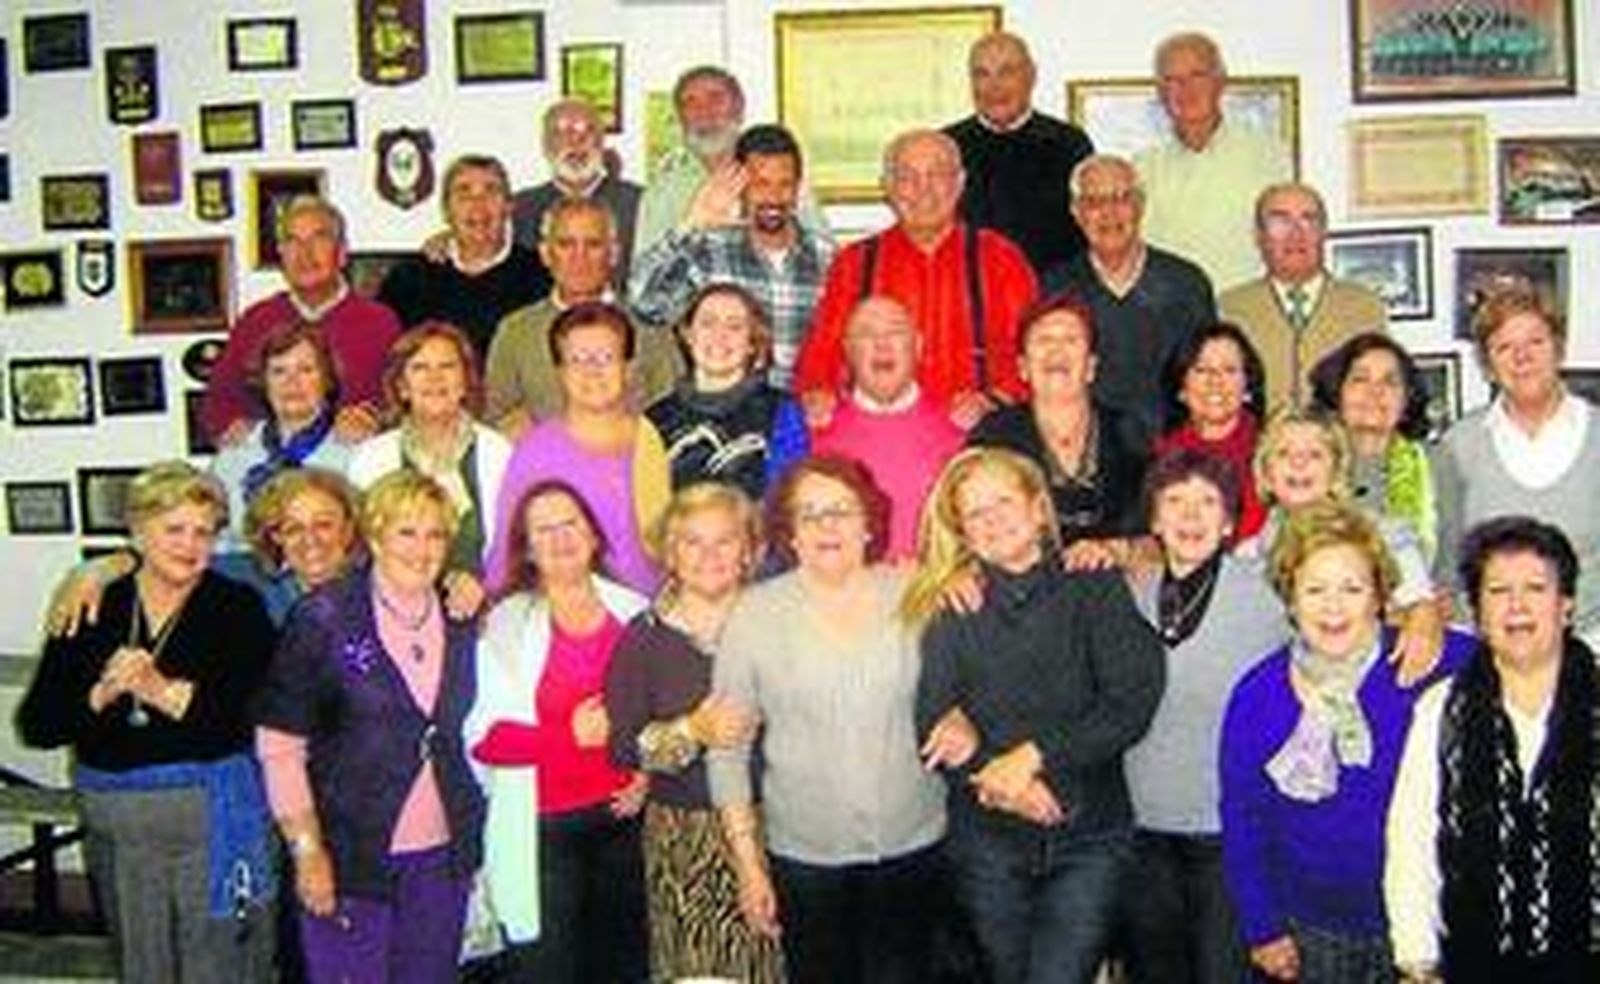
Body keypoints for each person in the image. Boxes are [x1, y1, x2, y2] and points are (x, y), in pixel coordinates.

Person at [908, 447, 1163, 983]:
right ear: (963, 532)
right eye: (975, 513)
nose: (993, 519)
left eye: (1003, 501)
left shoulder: (1092, 583)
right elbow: (932, 723)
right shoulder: (954, 605)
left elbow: (1130, 703)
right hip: (986, 844)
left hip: (1089, 835)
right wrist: (1000, 777)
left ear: (1037, 506)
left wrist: (1032, 756)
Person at [18, 462, 278, 982]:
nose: (189, 545)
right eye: (173, 529)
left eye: (203, 531)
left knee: (218, 963)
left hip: (209, 819)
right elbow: (39, 724)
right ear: (137, 531)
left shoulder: (236, 607)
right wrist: (101, 693)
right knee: (143, 967)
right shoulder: (94, 602)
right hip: (118, 825)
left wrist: (158, 691)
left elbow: (244, 723)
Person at [707, 457, 946, 983]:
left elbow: (967, 689)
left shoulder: (919, 594)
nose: (826, 526)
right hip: (804, 855)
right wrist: (748, 864)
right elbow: (727, 747)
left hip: (915, 843)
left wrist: (962, 722)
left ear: (869, 522)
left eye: (840, 510)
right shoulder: (755, 614)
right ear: (789, 534)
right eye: (808, 514)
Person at [1220, 502, 1471, 983]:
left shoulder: (1432, 661)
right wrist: (1262, 928)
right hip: (1310, 930)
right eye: (1314, 589)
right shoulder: (1258, 694)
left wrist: (1427, 616)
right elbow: (1243, 820)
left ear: (1380, 596)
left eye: (1352, 589)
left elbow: (1527, 665)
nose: (1332, 606)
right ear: (1289, 599)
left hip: (1428, 929)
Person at [255, 470, 486, 983]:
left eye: (435, 534)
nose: (422, 548)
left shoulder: (461, 616)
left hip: (443, 856)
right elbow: (280, 747)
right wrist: (307, 850)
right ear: (375, 536)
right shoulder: (323, 617)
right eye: (406, 532)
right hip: (349, 854)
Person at [1387, 517, 1600, 983]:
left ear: (1566, 606)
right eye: (1499, 591)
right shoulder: (1442, 709)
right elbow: (1412, 843)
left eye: (1536, 589)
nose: (1517, 606)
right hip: (1473, 963)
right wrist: (1417, 965)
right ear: (1479, 615)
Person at [467, 480, 651, 981]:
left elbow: (656, 714)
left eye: (570, 522)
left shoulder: (635, 612)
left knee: (622, 968)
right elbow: (484, 740)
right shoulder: (505, 623)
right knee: (550, 971)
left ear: (594, 535)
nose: (560, 537)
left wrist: (647, 771)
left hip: (623, 826)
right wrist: (567, 736)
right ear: (526, 549)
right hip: (542, 832)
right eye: (542, 529)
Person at [604, 482, 784, 983]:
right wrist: (693, 730)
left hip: (782, 828)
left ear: (749, 551)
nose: (709, 555)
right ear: (670, 553)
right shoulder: (643, 638)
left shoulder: (780, 624)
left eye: (724, 540)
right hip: (686, 840)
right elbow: (623, 747)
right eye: (692, 541)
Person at [1120, 449, 1287, 984]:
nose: (1191, 517)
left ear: (1230, 521)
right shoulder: (1127, 595)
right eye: (1175, 501)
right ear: (1153, 519)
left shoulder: (1267, 594)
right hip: (1141, 830)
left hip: (1230, 835)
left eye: (1207, 502)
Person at [795, 128, 1037, 420]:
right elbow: (819, 361)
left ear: (960, 183)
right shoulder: (854, 264)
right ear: (887, 187)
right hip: (879, 433)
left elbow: (1037, 352)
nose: (924, 190)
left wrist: (994, 399)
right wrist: (818, 395)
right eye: (908, 177)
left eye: (937, 175)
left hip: (981, 437)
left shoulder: (1001, 259)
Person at [1433, 286, 1600, 649]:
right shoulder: (1458, 445)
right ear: (1488, 366)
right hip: (1489, 649)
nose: (1521, 357)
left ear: (1559, 348)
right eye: (1504, 347)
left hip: (1592, 644)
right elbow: (1448, 563)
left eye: (1535, 342)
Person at [485, 301, 671, 595]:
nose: (592, 371)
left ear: (628, 368)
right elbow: (507, 548)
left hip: (656, 615)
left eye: (606, 357)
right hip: (569, 614)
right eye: (578, 359)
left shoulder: (661, 438)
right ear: (559, 371)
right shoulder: (535, 452)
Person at [629, 123, 835, 387]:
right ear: (740, 185)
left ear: (798, 189)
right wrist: (691, 224)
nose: (773, 197)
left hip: (800, 419)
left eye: (785, 184)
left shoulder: (827, 259)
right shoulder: (709, 250)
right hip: (725, 419)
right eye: (761, 183)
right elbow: (645, 305)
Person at [1043, 154, 1216, 451]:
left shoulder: (1186, 283)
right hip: (1084, 455)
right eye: (1095, 202)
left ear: (1140, 206)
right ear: (1076, 212)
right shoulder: (1055, 288)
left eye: (1121, 198)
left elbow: (1208, 377)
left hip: (1175, 455)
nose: (1109, 213)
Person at [201, 195, 400, 444]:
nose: (305, 253)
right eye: (292, 242)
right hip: (273, 470)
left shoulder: (381, 323)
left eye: (319, 238)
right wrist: (235, 426)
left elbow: (403, 402)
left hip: (355, 466)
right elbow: (217, 405)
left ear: (342, 253)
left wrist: (373, 419)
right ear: (281, 255)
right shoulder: (255, 322)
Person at [967, 293, 1149, 567]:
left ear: (1090, 367)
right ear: (1023, 367)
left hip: (1113, 590)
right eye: (1043, 341)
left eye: (1070, 340)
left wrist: (1117, 549)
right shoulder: (994, 436)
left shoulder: (1129, 432)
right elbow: (965, 527)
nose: (1056, 352)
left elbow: (1162, 539)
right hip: (1021, 594)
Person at [348, 321, 511, 621]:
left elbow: (515, 544)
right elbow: (361, 551)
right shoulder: (370, 459)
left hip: (488, 615)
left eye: (447, 366)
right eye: (420, 367)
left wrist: (485, 586)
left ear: (465, 383)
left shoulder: (500, 452)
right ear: (402, 387)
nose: (435, 378)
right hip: (392, 615)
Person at [485, 196, 679, 435]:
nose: (579, 257)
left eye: (593, 244)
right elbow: (493, 415)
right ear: (545, 253)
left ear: (614, 253)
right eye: (565, 244)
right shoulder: (516, 331)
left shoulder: (649, 325)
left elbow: (674, 414)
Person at [809, 296, 965, 560]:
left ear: (917, 345)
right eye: (866, 333)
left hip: (935, 590)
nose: (882, 344)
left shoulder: (961, 431)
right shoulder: (812, 431)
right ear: (848, 349)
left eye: (895, 331)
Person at [1135, 31, 1293, 290]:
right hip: (1173, 319)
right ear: (1161, 92)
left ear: (1221, 82)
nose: (1186, 89)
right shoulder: (1142, 169)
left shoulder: (1268, 156)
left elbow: (1286, 244)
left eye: (1197, 75)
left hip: (1246, 317)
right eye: (1172, 80)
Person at [1220, 182, 1388, 410]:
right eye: (1280, 221)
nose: (1296, 234)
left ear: (1324, 233)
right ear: (1258, 236)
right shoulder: (1230, 308)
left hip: (1341, 444)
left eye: (1309, 220)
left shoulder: (1364, 307)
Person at [635, 66, 827, 256]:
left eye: (716, 98)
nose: (704, 112)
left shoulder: (780, 172)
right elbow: (644, 276)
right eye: (690, 103)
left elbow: (824, 256)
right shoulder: (664, 190)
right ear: (680, 118)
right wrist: (692, 224)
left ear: (740, 107)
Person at [944, 31, 1094, 273]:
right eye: (982, 74)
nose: (995, 87)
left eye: (1006, 72)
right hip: (967, 295)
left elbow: (1091, 227)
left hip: (1050, 295)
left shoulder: (1069, 143)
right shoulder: (946, 147)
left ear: (1031, 76)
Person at [379, 154, 553, 360]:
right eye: (464, 193)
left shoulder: (542, 275)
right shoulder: (407, 280)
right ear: (446, 211)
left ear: (509, 207)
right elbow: (390, 360)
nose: (478, 205)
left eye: (491, 191)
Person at [646, 282, 808, 499]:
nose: (719, 336)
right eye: (707, 323)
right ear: (688, 335)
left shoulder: (783, 412)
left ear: (753, 342)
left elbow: (785, 501)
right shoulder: (655, 419)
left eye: (735, 326)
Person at [210, 320, 353, 554]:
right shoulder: (236, 448)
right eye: (279, 371)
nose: (292, 382)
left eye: (306, 370)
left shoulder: (354, 449)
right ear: (263, 382)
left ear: (327, 380)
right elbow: (212, 532)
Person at [1310, 332, 1438, 558]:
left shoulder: (1438, 463)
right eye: (1360, 379)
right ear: (1336, 392)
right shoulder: (1309, 463)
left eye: (1390, 382)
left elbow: (1455, 555)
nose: (1375, 392)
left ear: (1408, 398)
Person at [1154, 322, 1270, 539]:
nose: (1215, 381)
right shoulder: (1159, 456)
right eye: (1201, 369)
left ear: (1248, 387)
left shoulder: (1274, 450)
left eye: (1229, 370)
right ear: (1181, 389)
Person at [511, 97, 642, 284]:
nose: (576, 142)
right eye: (562, 133)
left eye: (588, 131)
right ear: (546, 146)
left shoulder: (639, 204)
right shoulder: (519, 210)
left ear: (602, 142)